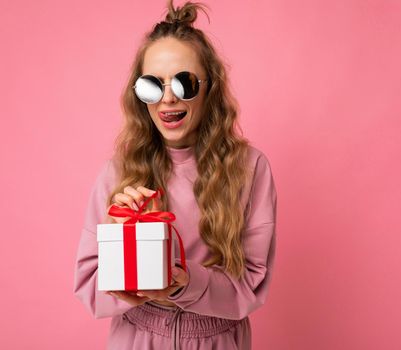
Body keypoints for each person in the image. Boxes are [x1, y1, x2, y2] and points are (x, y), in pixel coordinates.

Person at [72, 1, 277, 349]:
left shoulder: (250, 169)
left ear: (209, 87)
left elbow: (252, 286)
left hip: (217, 340)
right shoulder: (118, 172)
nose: (167, 98)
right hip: (137, 339)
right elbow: (90, 288)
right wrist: (121, 245)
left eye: (184, 83)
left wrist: (182, 282)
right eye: (152, 84)